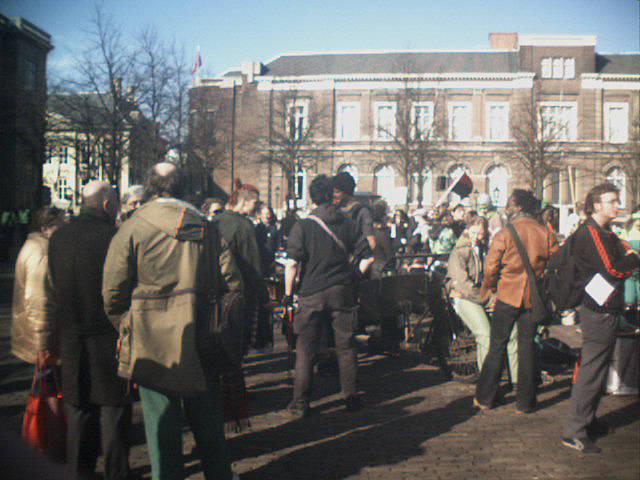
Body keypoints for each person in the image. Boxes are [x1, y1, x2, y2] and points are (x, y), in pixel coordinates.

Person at [102, 163, 235, 479]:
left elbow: (112, 291)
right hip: (202, 334)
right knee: (208, 424)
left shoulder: (133, 228)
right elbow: (230, 282)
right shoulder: (207, 226)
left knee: (161, 426)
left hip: (151, 339)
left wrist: (125, 323)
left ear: (149, 187)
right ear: (183, 186)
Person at [47, 182, 131, 480]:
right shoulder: (114, 238)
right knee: (113, 408)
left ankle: (77, 471)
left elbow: (53, 286)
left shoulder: (58, 238)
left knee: (78, 405)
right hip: (108, 335)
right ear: (107, 203)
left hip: (69, 334)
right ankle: (115, 472)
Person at [561, 184, 639, 454]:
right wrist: (634, 258)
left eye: (617, 200)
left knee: (598, 368)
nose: (617, 205)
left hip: (605, 307)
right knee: (592, 370)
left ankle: (588, 420)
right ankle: (575, 430)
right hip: (598, 309)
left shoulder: (604, 233)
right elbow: (612, 269)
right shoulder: (592, 234)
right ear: (596, 205)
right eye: (612, 201)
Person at [284, 174, 371, 417]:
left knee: (306, 350)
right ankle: (351, 397)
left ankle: (300, 403)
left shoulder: (302, 225)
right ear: (331, 194)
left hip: (311, 293)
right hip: (341, 292)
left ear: (312, 196)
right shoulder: (346, 223)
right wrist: (354, 277)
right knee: (346, 346)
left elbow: (292, 264)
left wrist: (288, 294)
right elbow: (367, 255)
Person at [475, 189, 558, 414]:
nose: (507, 207)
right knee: (527, 347)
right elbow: (556, 262)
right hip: (533, 297)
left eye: (510, 204)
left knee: (497, 345)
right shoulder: (545, 233)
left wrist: (490, 290)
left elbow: (491, 268)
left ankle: (485, 398)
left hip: (507, 295)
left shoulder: (505, 233)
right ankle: (526, 402)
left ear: (519, 207)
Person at [446, 216, 518, 382]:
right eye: (477, 233)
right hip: (464, 297)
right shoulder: (460, 252)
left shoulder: (485, 249)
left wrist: (495, 295)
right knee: (485, 334)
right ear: (468, 230)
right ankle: (488, 380)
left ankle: (516, 379)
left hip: (483, 296)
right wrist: (485, 298)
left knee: (512, 329)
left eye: (482, 234)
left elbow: (493, 276)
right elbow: (462, 284)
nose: (480, 237)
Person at [216, 180, 270, 352]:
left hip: (214, 290)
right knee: (237, 343)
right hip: (239, 293)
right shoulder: (244, 226)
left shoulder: (214, 222)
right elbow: (253, 266)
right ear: (245, 202)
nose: (255, 207)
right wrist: (264, 297)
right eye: (254, 203)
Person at [11, 207, 65, 366]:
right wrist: (43, 343)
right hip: (42, 341)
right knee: (49, 387)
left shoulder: (33, 245)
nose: (63, 231)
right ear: (45, 229)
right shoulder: (43, 252)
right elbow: (39, 299)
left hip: (30, 334)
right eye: (59, 226)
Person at [332, 171, 376, 254]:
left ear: (347, 192)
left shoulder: (362, 212)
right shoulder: (333, 210)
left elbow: (371, 243)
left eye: (337, 192)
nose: (333, 195)